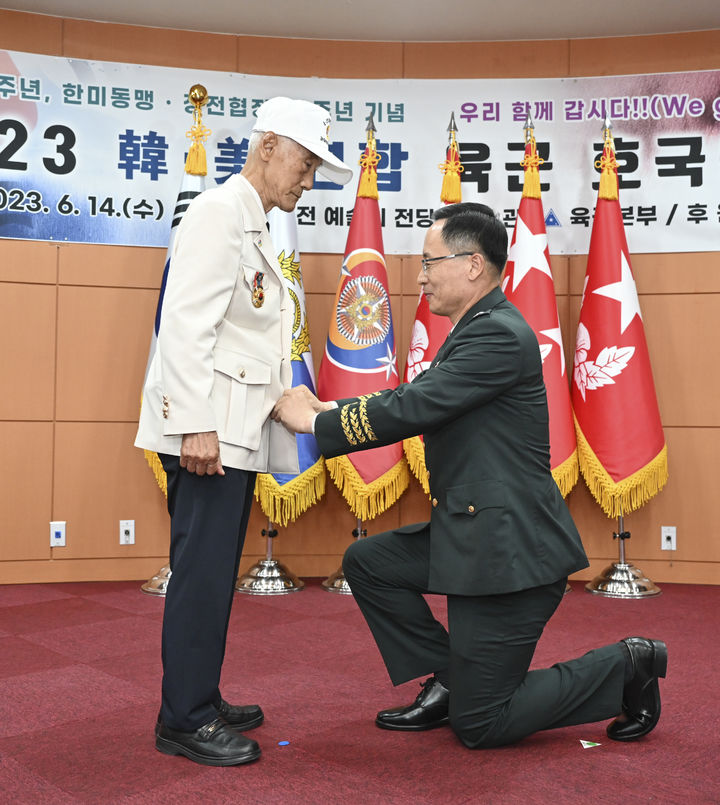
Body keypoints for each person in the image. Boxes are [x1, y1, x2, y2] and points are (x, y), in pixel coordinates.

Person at [271, 202, 667, 749]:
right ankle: (454, 678)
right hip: (471, 535)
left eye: (432, 262)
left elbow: (415, 406)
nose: (422, 275)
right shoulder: (475, 329)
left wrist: (316, 422)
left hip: (510, 555)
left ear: (474, 265)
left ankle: (626, 665)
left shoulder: (499, 334)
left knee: (482, 725)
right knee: (371, 563)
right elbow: (412, 399)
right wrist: (325, 413)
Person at [135, 97, 353, 766]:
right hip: (207, 436)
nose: (308, 180)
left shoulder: (252, 222)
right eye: (305, 163)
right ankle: (185, 719)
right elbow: (185, 326)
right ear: (267, 148)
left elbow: (242, 340)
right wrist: (195, 424)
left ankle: (198, 692)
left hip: (233, 433)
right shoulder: (218, 214)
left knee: (211, 574)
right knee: (200, 576)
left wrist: (288, 397)